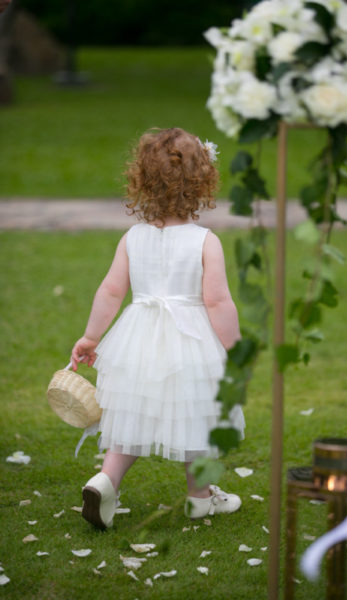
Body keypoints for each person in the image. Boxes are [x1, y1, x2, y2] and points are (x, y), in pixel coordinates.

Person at [71, 127, 245, 530]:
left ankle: (105, 479)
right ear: (202, 182)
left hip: (139, 340)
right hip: (191, 342)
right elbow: (218, 302)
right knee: (197, 417)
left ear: (142, 182)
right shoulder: (205, 241)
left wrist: (91, 336)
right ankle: (200, 498)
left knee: (133, 413)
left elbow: (112, 291)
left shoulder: (133, 237)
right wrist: (235, 348)